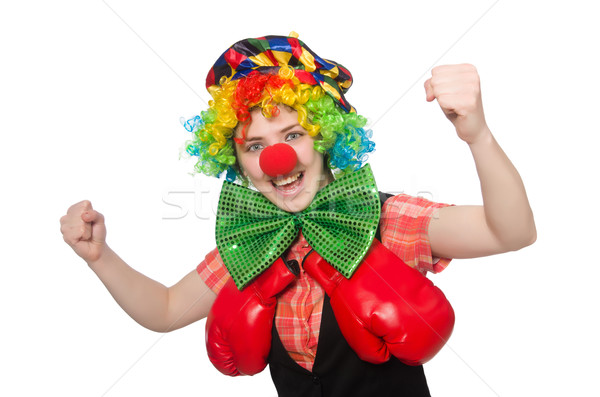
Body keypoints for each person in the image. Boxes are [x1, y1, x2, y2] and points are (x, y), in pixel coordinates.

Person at [60, 33, 536, 396]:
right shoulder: (251, 244)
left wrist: (478, 135)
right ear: (237, 160)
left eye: (292, 135)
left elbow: (509, 232)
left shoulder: (386, 218)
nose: (276, 161)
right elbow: (164, 310)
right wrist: (99, 256)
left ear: (325, 137)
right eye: (255, 146)